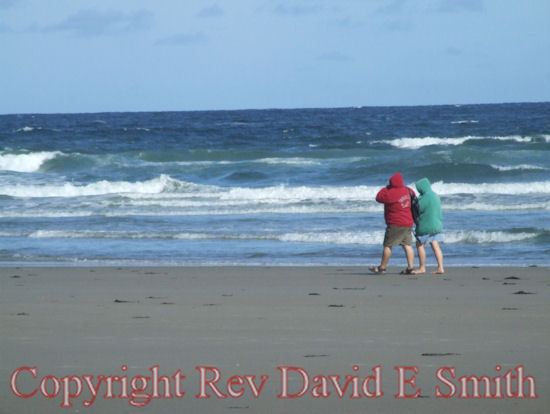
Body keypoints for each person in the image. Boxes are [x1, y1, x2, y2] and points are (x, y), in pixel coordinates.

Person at [369, 172, 415, 274]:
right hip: (408, 222)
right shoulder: (408, 190)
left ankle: (382, 268)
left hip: (395, 223)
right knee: (407, 245)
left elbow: (379, 197)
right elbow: (414, 197)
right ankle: (411, 267)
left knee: (388, 245)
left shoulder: (390, 193)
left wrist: (386, 188)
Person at [412, 177, 444, 274]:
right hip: (436, 225)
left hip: (426, 226)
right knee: (435, 245)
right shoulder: (435, 196)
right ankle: (440, 267)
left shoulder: (423, 199)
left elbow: (417, 210)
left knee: (419, 245)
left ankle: (422, 267)